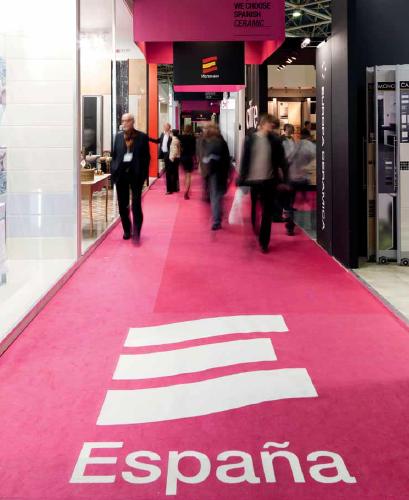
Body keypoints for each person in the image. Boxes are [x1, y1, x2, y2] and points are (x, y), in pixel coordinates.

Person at [238, 114, 287, 253]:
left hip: (269, 180)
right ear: (263, 123)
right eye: (269, 123)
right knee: (255, 207)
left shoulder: (275, 140)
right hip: (254, 181)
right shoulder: (250, 139)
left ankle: (264, 242)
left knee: (267, 212)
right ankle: (255, 224)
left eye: (273, 124)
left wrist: (285, 177)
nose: (271, 126)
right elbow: (245, 159)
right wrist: (242, 176)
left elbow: (281, 160)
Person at [111, 113, 150, 243]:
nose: (124, 123)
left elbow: (146, 158)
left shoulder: (142, 137)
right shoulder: (118, 137)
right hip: (121, 175)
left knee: (136, 205)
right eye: (123, 121)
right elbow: (114, 156)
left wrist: (143, 176)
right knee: (123, 205)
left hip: (136, 176)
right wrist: (114, 171)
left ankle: (137, 231)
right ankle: (127, 230)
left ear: (133, 121)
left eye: (127, 121)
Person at [285, 129, 316, 236]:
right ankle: (309, 224)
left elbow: (288, 159)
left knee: (292, 203)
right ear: (309, 136)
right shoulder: (311, 146)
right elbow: (315, 158)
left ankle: (290, 226)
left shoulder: (294, 145)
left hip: (292, 178)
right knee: (305, 202)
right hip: (304, 178)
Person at [201, 123, 230, 230]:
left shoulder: (208, 142)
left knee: (215, 196)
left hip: (212, 172)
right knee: (218, 195)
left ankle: (217, 219)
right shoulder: (221, 141)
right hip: (219, 172)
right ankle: (218, 215)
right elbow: (227, 158)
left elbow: (205, 157)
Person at [150, 123, 176, 194]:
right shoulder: (162, 134)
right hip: (164, 155)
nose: (164, 127)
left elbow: (175, 143)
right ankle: (170, 189)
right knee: (168, 172)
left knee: (169, 172)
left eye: (165, 126)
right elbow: (158, 141)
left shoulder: (172, 134)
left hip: (170, 155)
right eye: (164, 126)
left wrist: (171, 136)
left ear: (169, 127)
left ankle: (170, 189)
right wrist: (149, 139)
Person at [179, 125, 196, 199]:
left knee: (185, 175)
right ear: (191, 130)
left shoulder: (181, 137)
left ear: (184, 130)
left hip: (182, 158)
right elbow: (194, 150)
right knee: (188, 175)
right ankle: (186, 191)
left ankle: (186, 188)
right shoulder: (193, 138)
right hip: (189, 158)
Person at [168, 129, 181, 193]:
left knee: (172, 173)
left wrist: (172, 158)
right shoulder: (176, 139)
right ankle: (176, 188)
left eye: (171, 132)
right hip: (176, 158)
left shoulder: (174, 140)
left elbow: (175, 151)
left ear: (173, 133)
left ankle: (173, 188)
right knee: (175, 173)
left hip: (174, 159)